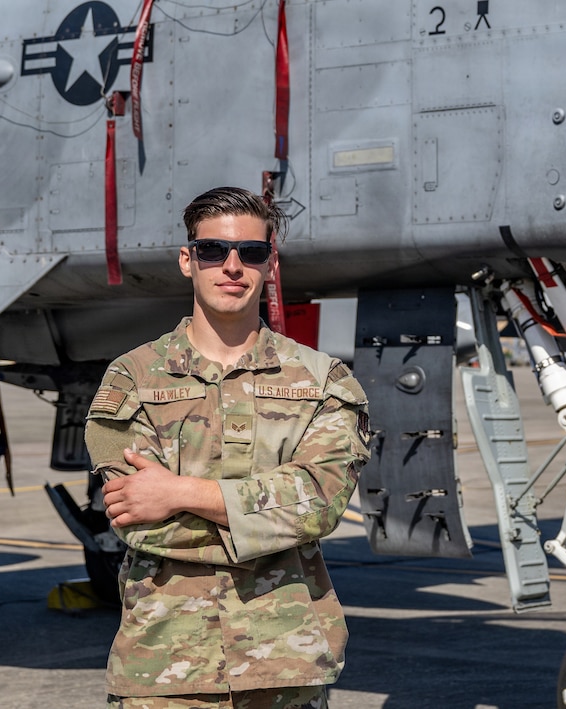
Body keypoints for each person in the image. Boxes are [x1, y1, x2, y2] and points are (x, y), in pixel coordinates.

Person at [86, 185, 369, 709]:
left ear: (270, 264)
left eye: (251, 252)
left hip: (284, 666)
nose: (232, 266)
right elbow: (141, 521)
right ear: (187, 260)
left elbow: (318, 506)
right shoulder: (132, 378)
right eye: (213, 250)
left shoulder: (322, 380)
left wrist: (179, 493)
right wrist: (269, 520)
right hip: (163, 669)